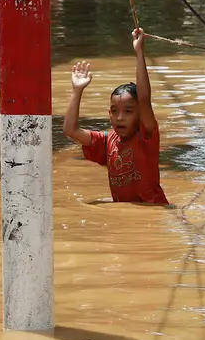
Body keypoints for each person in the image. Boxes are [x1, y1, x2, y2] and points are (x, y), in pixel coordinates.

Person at [62, 27, 169, 206]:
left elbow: (144, 99)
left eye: (128, 111)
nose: (119, 117)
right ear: (108, 114)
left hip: (152, 212)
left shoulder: (147, 135)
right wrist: (77, 90)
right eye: (114, 111)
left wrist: (139, 52)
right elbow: (70, 130)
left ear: (140, 114)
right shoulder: (106, 141)